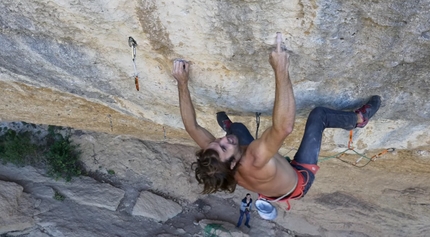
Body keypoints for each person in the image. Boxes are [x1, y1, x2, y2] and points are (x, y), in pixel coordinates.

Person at [172, 32, 381, 219]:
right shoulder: (255, 156)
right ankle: (359, 120)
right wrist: (281, 68)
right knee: (319, 115)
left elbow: (192, 127)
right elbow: (283, 128)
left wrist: (182, 82)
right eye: (224, 146)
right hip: (298, 179)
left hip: (272, 185)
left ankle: (231, 126)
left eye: (217, 142)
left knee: (238, 130)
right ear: (233, 164)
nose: (221, 140)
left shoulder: (221, 164)